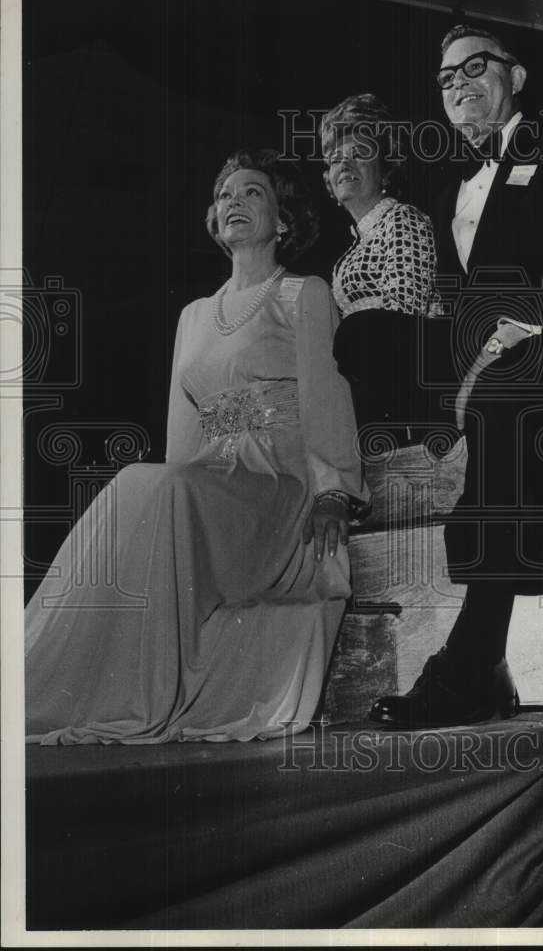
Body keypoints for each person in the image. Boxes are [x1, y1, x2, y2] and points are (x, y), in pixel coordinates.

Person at [25, 147, 368, 744]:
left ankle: (133, 691)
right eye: (224, 195)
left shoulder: (304, 293)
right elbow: (181, 443)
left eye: (252, 192)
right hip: (207, 484)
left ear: (283, 220)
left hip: (276, 485)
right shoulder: (192, 316)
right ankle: (55, 689)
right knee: (146, 482)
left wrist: (335, 490)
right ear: (214, 221)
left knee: (157, 485)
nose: (234, 201)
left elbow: (326, 395)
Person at [369, 24, 543, 729]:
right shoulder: (453, 182)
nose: (456, 83)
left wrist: (530, 325)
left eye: (472, 67)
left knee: (505, 401)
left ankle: (475, 657)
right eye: (445, 78)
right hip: (496, 354)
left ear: (516, 77)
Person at [321, 93, 439, 449]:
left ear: (385, 168)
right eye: (336, 159)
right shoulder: (347, 254)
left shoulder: (403, 219)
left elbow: (403, 319)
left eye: (360, 154)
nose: (346, 165)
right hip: (367, 398)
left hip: (407, 400)